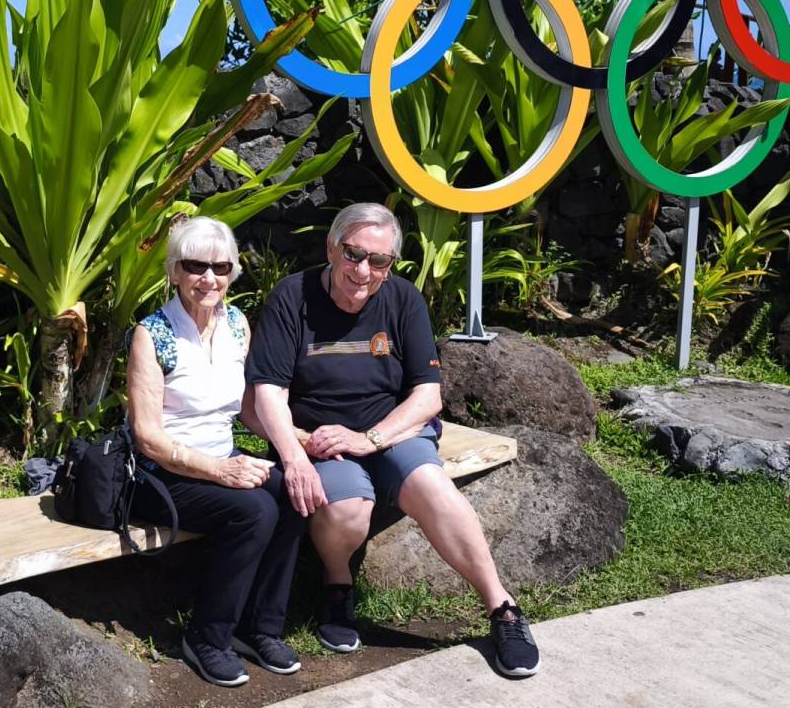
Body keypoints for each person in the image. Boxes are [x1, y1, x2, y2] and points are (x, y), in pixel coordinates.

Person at [245, 202, 540, 678]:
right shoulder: (292, 297)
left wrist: (370, 438)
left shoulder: (404, 299)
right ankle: (337, 586)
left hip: (391, 431)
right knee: (348, 508)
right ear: (331, 248)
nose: (362, 270)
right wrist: (297, 452)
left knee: (434, 488)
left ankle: (502, 608)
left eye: (378, 260)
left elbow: (428, 395)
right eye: (353, 254)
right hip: (322, 440)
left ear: (391, 265)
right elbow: (266, 395)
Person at [126, 216, 304, 688]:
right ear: (175, 271)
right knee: (254, 512)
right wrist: (220, 471)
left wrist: (297, 440)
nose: (209, 279)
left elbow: (247, 408)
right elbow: (147, 436)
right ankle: (207, 637)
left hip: (223, 458)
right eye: (196, 266)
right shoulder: (152, 334)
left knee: (294, 491)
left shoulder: (237, 325)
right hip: (162, 473)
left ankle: (260, 628)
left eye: (220, 268)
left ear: (232, 273)